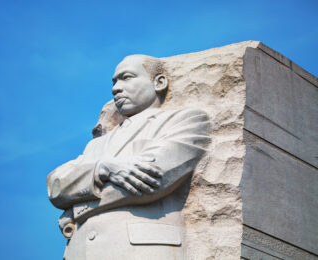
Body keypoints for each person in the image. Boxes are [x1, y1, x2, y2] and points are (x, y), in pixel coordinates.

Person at [47, 55, 210, 260]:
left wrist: (76, 207)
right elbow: (56, 184)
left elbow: (151, 179)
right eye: (114, 82)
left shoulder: (185, 120)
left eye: (126, 78)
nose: (116, 88)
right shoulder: (95, 145)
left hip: (142, 249)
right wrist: (101, 169)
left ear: (159, 82)